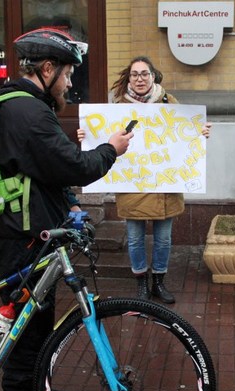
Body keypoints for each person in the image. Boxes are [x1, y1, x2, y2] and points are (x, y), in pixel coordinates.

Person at [0, 28, 132, 391]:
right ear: (47, 68)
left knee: (36, 323)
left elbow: (43, 175)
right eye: (67, 74)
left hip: (24, 234)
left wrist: (71, 208)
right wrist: (111, 149)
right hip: (18, 239)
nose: (69, 82)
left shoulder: (22, 106)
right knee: (28, 331)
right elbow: (74, 165)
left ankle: (33, 389)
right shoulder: (27, 111)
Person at [81, 56, 211, 304]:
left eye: (144, 74)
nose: (139, 79)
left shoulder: (168, 102)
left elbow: (185, 131)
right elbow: (103, 139)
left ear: (153, 76)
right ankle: (141, 283)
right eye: (134, 74)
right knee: (135, 238)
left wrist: (201, 131)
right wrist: (85, 134)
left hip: (165, 185)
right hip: (134, 184)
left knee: (163, 239)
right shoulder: (117, 107)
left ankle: (159, 282)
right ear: (129, 78)